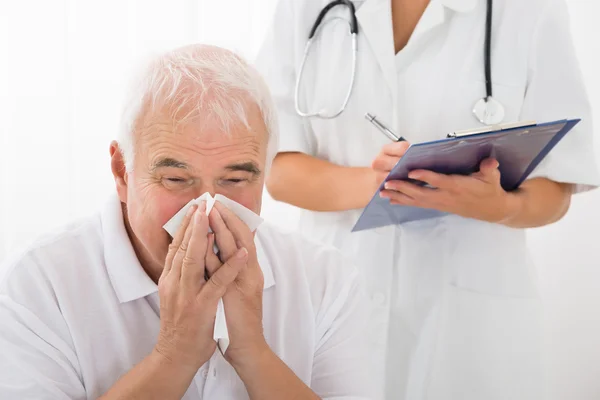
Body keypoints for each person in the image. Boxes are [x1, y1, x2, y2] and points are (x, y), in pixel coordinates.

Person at [255, 0, 599, 398]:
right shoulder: (304, 8)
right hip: (333, 303)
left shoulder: (529, 10)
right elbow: (276, 169)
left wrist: (502, 207)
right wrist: (378, 182)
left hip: (469, 330)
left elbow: (557, 186)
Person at [0, 44, 375, 400]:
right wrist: (174, 355)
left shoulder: (325, 280)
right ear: (122, 172)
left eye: (236, 180)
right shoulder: (38, 285)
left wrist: (253, 353)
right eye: (177, 180)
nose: (206, 211)